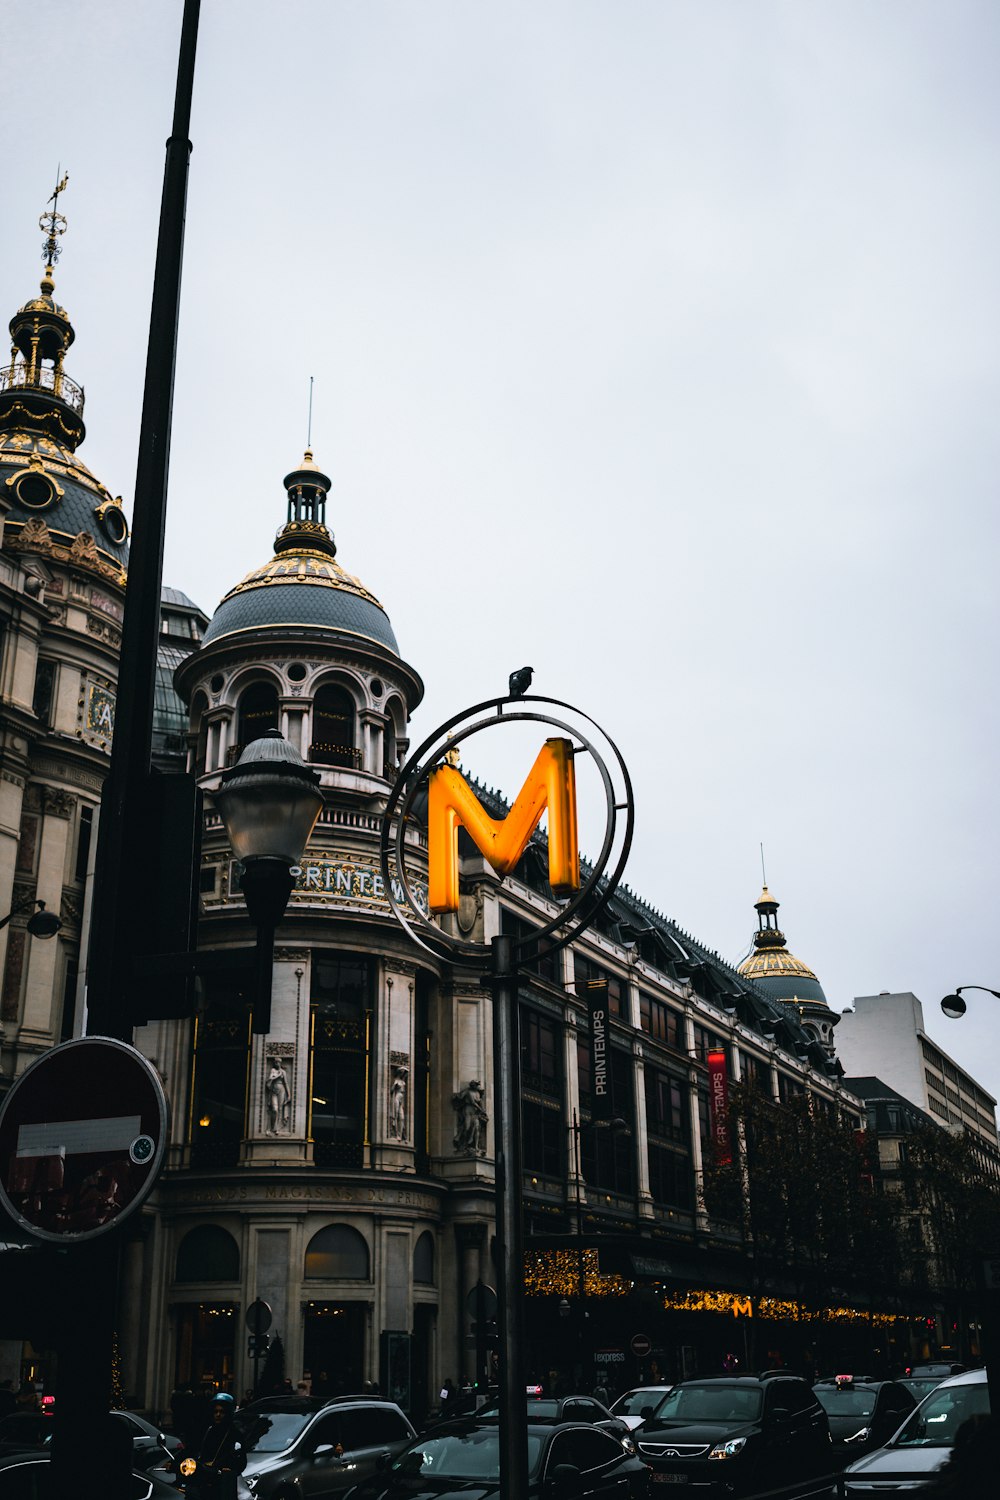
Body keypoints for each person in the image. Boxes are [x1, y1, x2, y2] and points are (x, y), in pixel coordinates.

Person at [192, 1392, 246, 1500]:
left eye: (222, 1412)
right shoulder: (209, 1430)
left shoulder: (235, 1433)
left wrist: (223, 1466)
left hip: (224, 1484)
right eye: (216, 1411)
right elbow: (200, 1451)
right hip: (206, 1480)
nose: (218, 1415)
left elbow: (240, 1461)